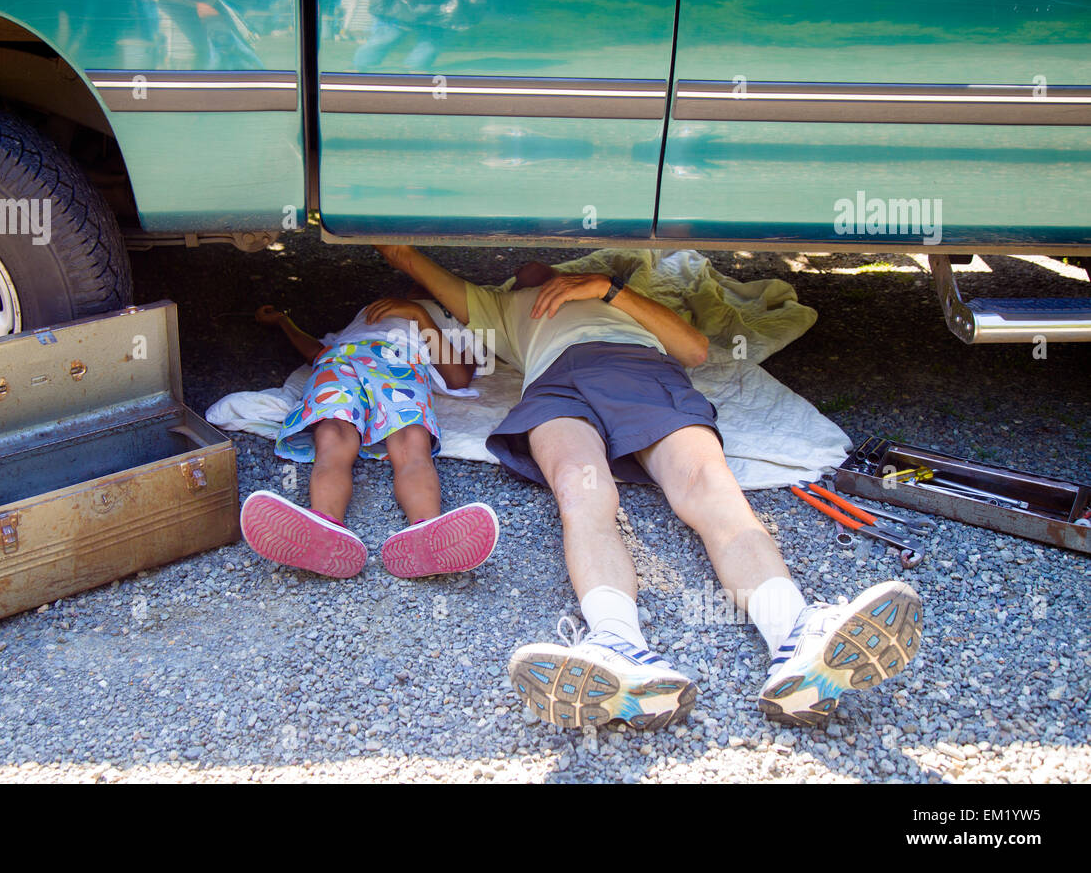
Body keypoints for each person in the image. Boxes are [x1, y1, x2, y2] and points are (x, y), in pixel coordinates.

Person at [374, 245, 923, 729]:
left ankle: (796, 637)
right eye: (525, 265)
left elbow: (695, 351)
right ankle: (619, 647)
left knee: (708, 486)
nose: (533, 263)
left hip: (640, 370)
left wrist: (608, 290)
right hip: (555, 388)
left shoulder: (622, 295)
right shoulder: (494, 303)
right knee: (580, 493)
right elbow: (403, 255)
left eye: (553, 263)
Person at [240, 296, 498, 580]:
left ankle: (428, 535)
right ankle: (323, 527)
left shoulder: (452, 318)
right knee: (332, 433)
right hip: (341, 359)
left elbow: (458, 376)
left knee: (411, 439)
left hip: (401, 362)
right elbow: (316, 351)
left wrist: (419, 314)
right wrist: (283, 321)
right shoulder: (366, 312)